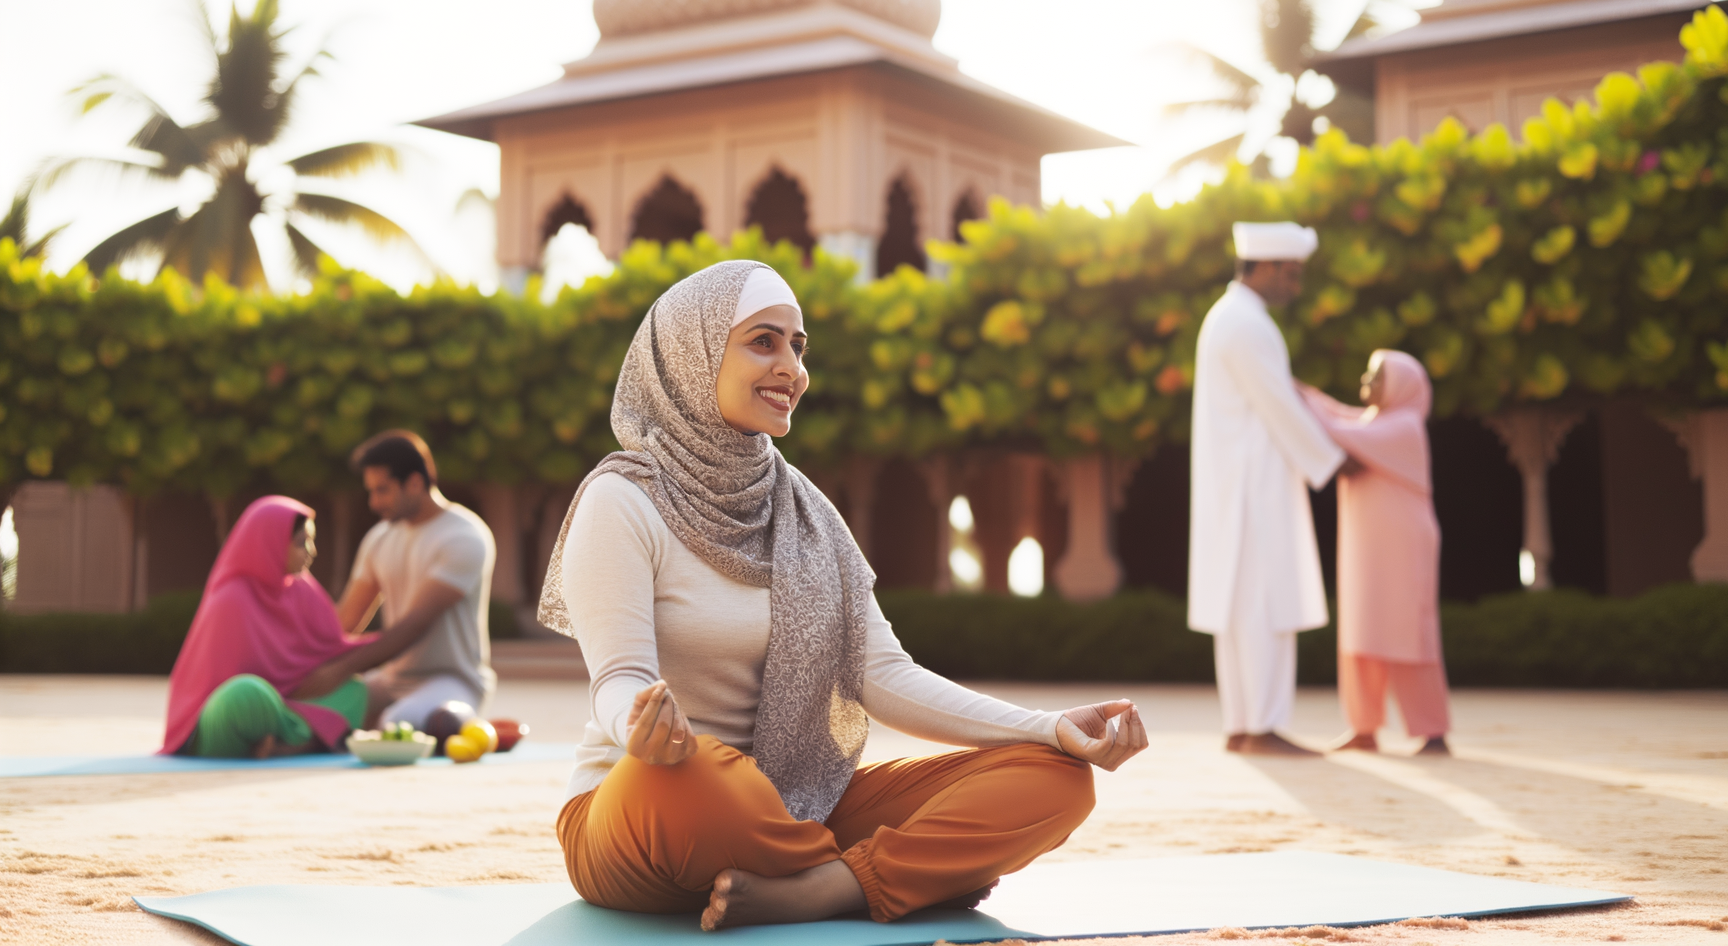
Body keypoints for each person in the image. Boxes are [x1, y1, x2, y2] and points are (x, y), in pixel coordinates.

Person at [538, 259, 1148, 930]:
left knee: (1055, 779)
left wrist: (1049, 728)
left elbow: (883, 674)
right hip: (645, 810)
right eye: (763, 341)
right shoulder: (621, 499)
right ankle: (886, 873)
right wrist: (642, 731)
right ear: (693, 350)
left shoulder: (806, 514)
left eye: (798, 348)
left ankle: (824, 887)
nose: (792, 369)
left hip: (794, 804)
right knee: (703, 775)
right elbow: (619, 677)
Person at [1188, 221, 1345, 757]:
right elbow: (1281, 406)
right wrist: (1335, 461)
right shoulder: (1248, 325)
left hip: (1238, 486)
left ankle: (1244, 724)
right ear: (1270, 267)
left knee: (1241, 608)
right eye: (1293, 274)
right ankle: (1263, 727)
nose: (1297, 286)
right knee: (1264, 604)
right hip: (1255, 487)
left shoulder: (1228, 317)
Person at [1299, 350, 1451, 755]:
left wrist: (1297, 397)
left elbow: (1336, 427)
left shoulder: (1404, 427)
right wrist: (1305, 394)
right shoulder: (1375, 422)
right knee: (1362, 629)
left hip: (1403, 545)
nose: (1366, 380)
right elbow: (1341, 415)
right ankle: (1363, 728)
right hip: (1367, 548)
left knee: (1408, 632)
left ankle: (1432, 731)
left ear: (1400, 386)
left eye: (1377, 375)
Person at [161, 497, 369, 757]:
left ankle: (288, 744)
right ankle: (305, 739)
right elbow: (222, 684)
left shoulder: (303, 590)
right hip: (229, 717)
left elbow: (331, 647)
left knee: (354, 690)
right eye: (301, 543)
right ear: (271, 543)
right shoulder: (232, 597)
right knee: (247, 695)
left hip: (287, 707)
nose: (312, 551)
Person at [336, 431, 497, 728]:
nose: (373, 502)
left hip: (451, 680)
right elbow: (345, 621)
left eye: (382, 490)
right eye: (370, 491)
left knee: (396, 724)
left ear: (414, 483)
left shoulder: (465, 536)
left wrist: (339, 669)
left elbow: (413, 626)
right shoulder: (379, 538)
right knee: (319, 709)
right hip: (390, 680)